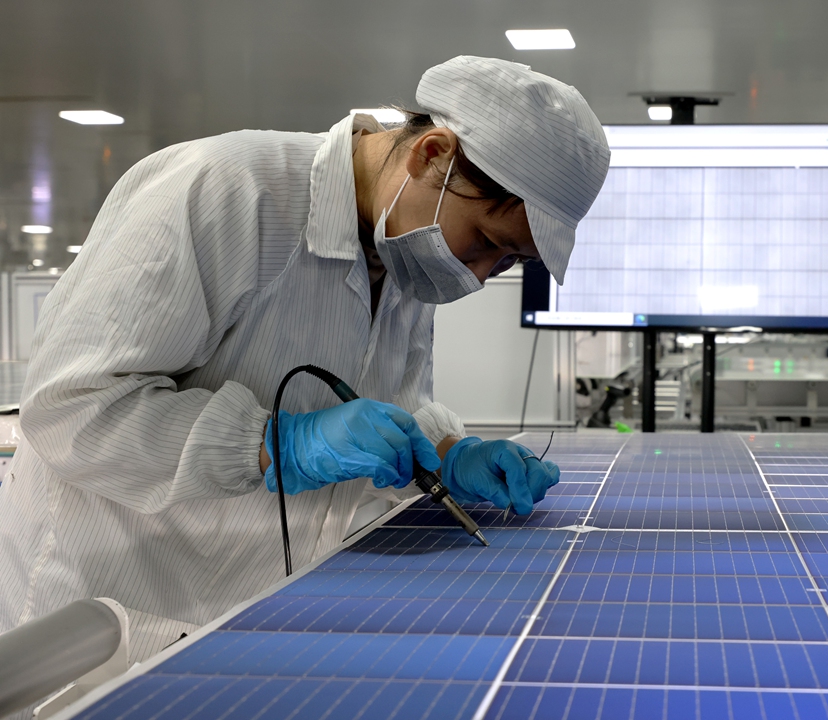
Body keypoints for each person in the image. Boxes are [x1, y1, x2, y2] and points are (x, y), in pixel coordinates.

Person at [0, 55, 610, 670]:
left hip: (253, 616)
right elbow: (71, 408)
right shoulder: (225, 190)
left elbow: (379, 411)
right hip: (109, 627)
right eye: (485, 243)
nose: (479, 276)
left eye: (508, 264)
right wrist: (275, 445)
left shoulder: (404, 251)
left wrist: (446, 453)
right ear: (431, 155)